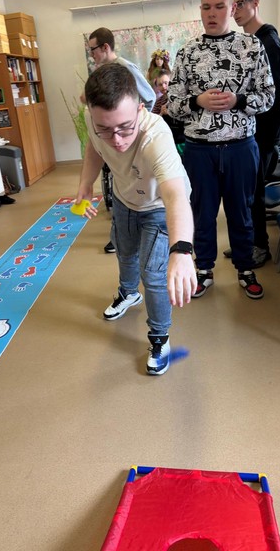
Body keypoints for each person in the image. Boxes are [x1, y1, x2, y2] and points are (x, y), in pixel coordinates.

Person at [75, 63, 196, 375]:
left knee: (153, 274)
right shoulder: (93, 119)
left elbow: (175, 196)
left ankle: (159, 337)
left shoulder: (156, 136)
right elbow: (94, 148)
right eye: (106, 128)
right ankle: (128, 293)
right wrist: (86, 184)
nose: (116, 139)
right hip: (125, 198)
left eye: (125, 127)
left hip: (158, 205)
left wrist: (182, 251)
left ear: (140, 109)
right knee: (125, 252)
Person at [167, 0, 275, 300]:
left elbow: (269, 96)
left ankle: (245, 268)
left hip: (241, 146)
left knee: (242, 212)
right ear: (200, 9)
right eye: (206, 7)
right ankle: (204, 270)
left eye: (219, 6)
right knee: (202, 213)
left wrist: (238, 100)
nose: (211, 13)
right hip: (199, 150)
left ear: (232, 8)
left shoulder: (252, 47)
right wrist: (197, 101)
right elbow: (172, 104)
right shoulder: (187, 53)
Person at [231, 0, 280, 268]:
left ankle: (260, 247)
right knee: (245, 193)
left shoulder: (269, 41)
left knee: (254, 194)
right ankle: (248, 243)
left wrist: (265, 130)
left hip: (262, 135)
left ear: (255, 3)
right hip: (250, 134)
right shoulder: (250, 42)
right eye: (233, 6)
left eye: (240, 4)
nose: (235, 11)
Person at [83, 27, 157, 254]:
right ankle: (119, 237)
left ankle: (130, 237)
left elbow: (149, 97)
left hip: (134, 145)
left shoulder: (125, 68)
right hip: (116, 149)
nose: (91, 54)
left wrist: (132, 127)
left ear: (105, 47)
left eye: (93, 49)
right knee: (120, 186)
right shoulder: (101, 72)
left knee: (139, 189)